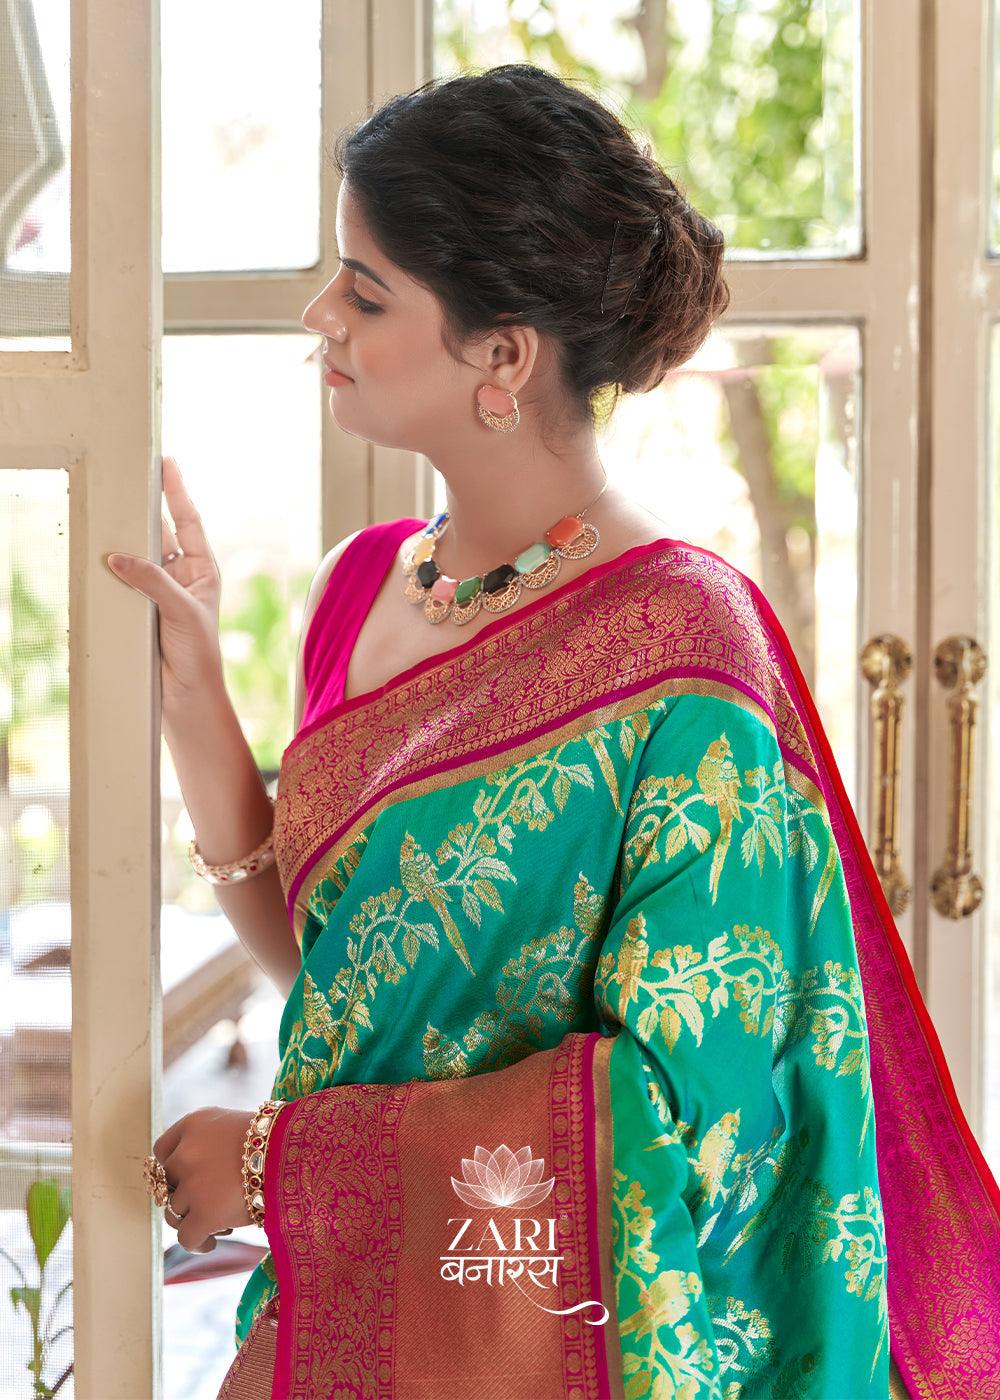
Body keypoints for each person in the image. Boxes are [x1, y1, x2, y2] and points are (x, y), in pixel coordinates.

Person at [114, 64, 998, 1400]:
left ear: (505, 355)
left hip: (540, 1345)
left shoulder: (687, 653)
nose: (319, 317)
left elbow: (686, 1116)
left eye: (366, 291)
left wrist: (276, 1167)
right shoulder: (359, 589)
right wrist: (192, 698)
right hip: (327, 1319)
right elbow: (334, 970)